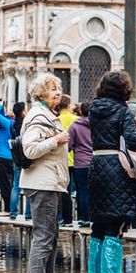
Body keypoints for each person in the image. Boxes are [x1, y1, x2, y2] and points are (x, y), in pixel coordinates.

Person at [88, 71, 136, 273]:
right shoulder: (123, 110)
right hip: (116, 166)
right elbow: (134, 139)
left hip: (96, 165)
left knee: (98, 225)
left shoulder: (93, 110)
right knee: (115, 222)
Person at [21, 74, 70, 273]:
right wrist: (57, 140)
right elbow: (29, 150)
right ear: (41, 93)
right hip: (43, 183)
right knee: (43, 235)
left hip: (50, 181)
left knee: (50, 234)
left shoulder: (47, 114)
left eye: (58, 88)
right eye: (52, 89)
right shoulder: (38, 115)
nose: (57, 92)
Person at [66, 100, 92, 226]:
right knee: (95, 191)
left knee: (83, 191)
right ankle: (94, 218)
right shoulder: (97, 124)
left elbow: (69, 146)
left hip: (80, 163)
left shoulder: (75, 126)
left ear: (80, 111)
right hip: (96, 162)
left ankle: (84, 218)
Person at [0, 102, 15, 216]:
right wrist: (2, 109)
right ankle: (9, 208)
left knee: (5, 183)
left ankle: (8, 209)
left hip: (3, 156)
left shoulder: (7, 123)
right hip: (7, 156)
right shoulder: (9, 122)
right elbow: (0, 114)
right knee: (7, 183)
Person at [8, 102, 32, 220]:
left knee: (16, 185)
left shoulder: (12, 124)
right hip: (27, 155)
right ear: (23, 111)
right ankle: (28, 213)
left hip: (16, 155)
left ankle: (13, 213)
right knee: (28, 184)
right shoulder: (27, 123)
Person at [57, 95, 77, 224]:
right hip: (77, 159)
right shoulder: (76, 119)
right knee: (81, 190)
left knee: (64, 191)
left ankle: (66, 218)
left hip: (62, 159)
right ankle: (82, 217)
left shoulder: (56, 120)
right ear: (69, 105)